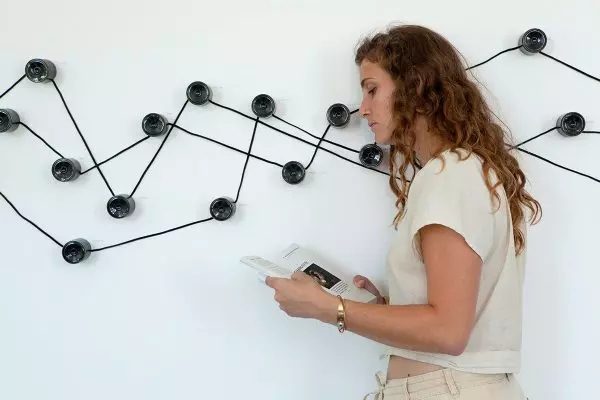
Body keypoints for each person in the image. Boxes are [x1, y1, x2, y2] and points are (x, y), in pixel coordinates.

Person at [265, 24, 541, 400]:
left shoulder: (450, 175)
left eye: (372, 89)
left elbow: (447, 331)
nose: (363, 109)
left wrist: (328, 308)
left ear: (417, 86)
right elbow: (454, 315)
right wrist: (385, 308)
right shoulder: (465, 170)